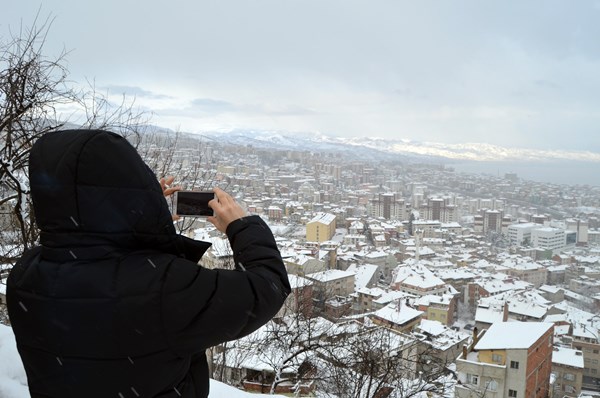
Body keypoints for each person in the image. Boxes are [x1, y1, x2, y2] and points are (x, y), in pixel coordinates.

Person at [6, 129, 291, 398]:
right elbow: (267, 287)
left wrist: (138, 215)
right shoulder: (164, 287)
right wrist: (241, 226)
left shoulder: (25, 276)